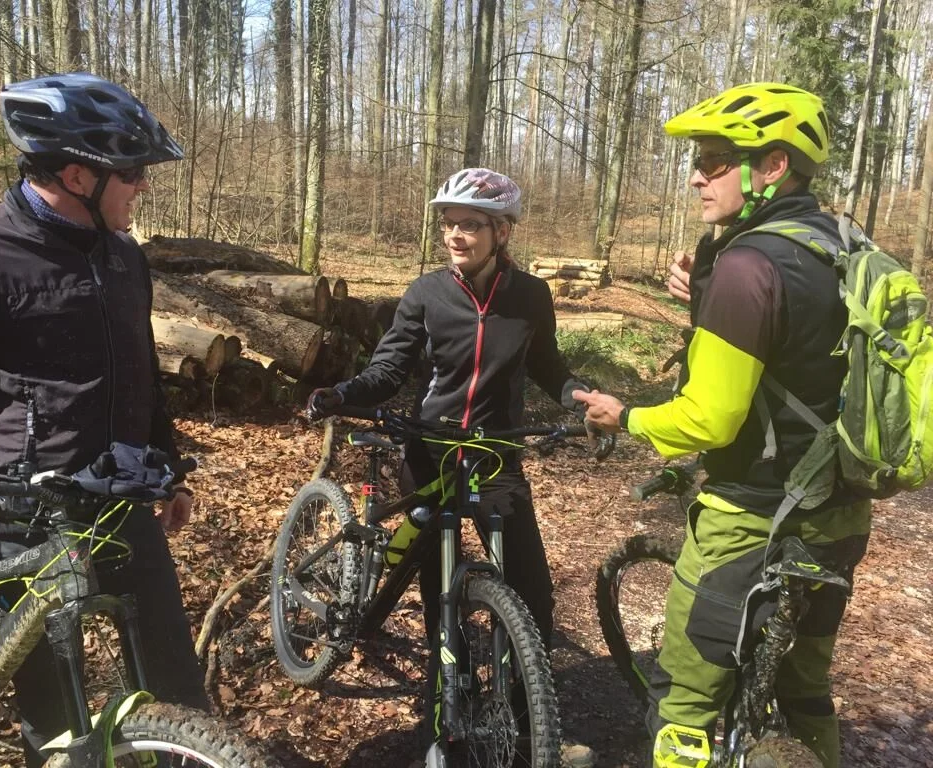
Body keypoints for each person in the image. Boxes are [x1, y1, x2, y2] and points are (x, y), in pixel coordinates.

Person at [0, 73, 208, 766]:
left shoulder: (125, 256)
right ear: (77, 175)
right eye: (130, 173)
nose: (141, 186)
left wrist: (170, 469)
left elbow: (141, 378)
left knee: (176, 683)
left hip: (118, 496)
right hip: (16, 515)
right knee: (52, 704)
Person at [576, 83, 871, 768]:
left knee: (683, 702)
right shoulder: (841, 246)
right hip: (840, 515)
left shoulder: (750, 263)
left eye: (715, 159)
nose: (697, 174)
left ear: (772, 166)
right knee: (805, 692)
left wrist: (627, 415)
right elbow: (798, 359)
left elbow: (708, 417)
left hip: (750, 521)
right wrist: (708, 289)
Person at [308, 168, 601, 767]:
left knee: (533, 592)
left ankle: (523, 725)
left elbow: (547, 364)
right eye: (449, 225)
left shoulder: (531, 297)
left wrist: (578, 397)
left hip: (496, 452)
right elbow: (390, 368)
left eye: (470, 225)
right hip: (431, 447)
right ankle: (447, 710)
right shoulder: (426, 294)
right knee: (439, 585)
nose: (455, 236)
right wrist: (346, 391)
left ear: (501, 231)